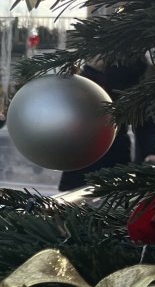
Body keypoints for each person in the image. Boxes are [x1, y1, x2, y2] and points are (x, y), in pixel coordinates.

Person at [58, 57, 149, 191]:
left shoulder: (125, 68)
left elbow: (142, 119)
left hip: (107, 149)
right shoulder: (90, 76)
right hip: (86, 151)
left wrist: (150, 152)